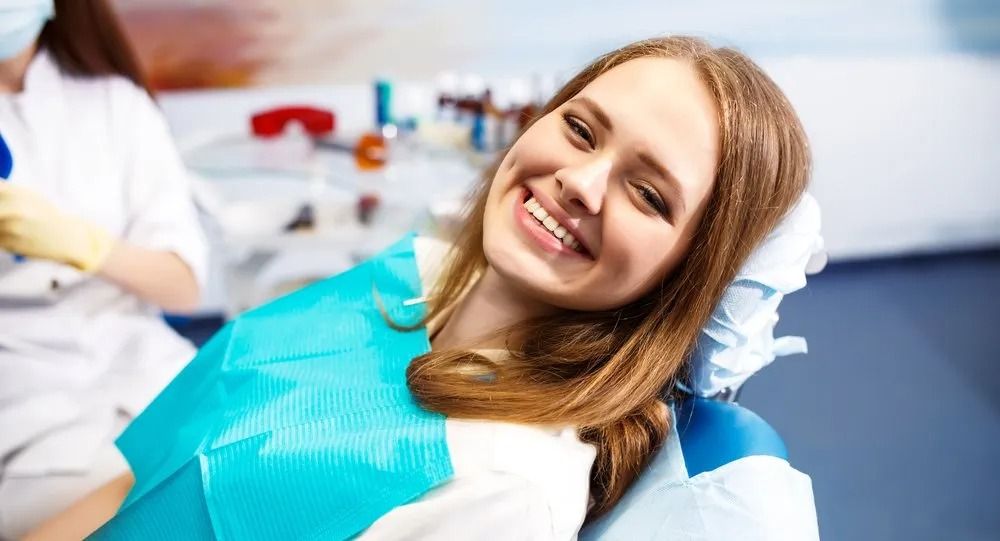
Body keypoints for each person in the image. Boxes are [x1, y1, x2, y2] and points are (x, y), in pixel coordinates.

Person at [29, 36, 815, 540]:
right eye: (581, 128)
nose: (580, 181)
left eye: (648, 194)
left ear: (690, 272)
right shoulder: (420, 273)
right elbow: (159, 465)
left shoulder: (506, 489)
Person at [0, 0, 208, 538]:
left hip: (150, 375)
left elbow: (182, 285)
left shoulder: (117, 104)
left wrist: (88, 247)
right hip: (24, 412)